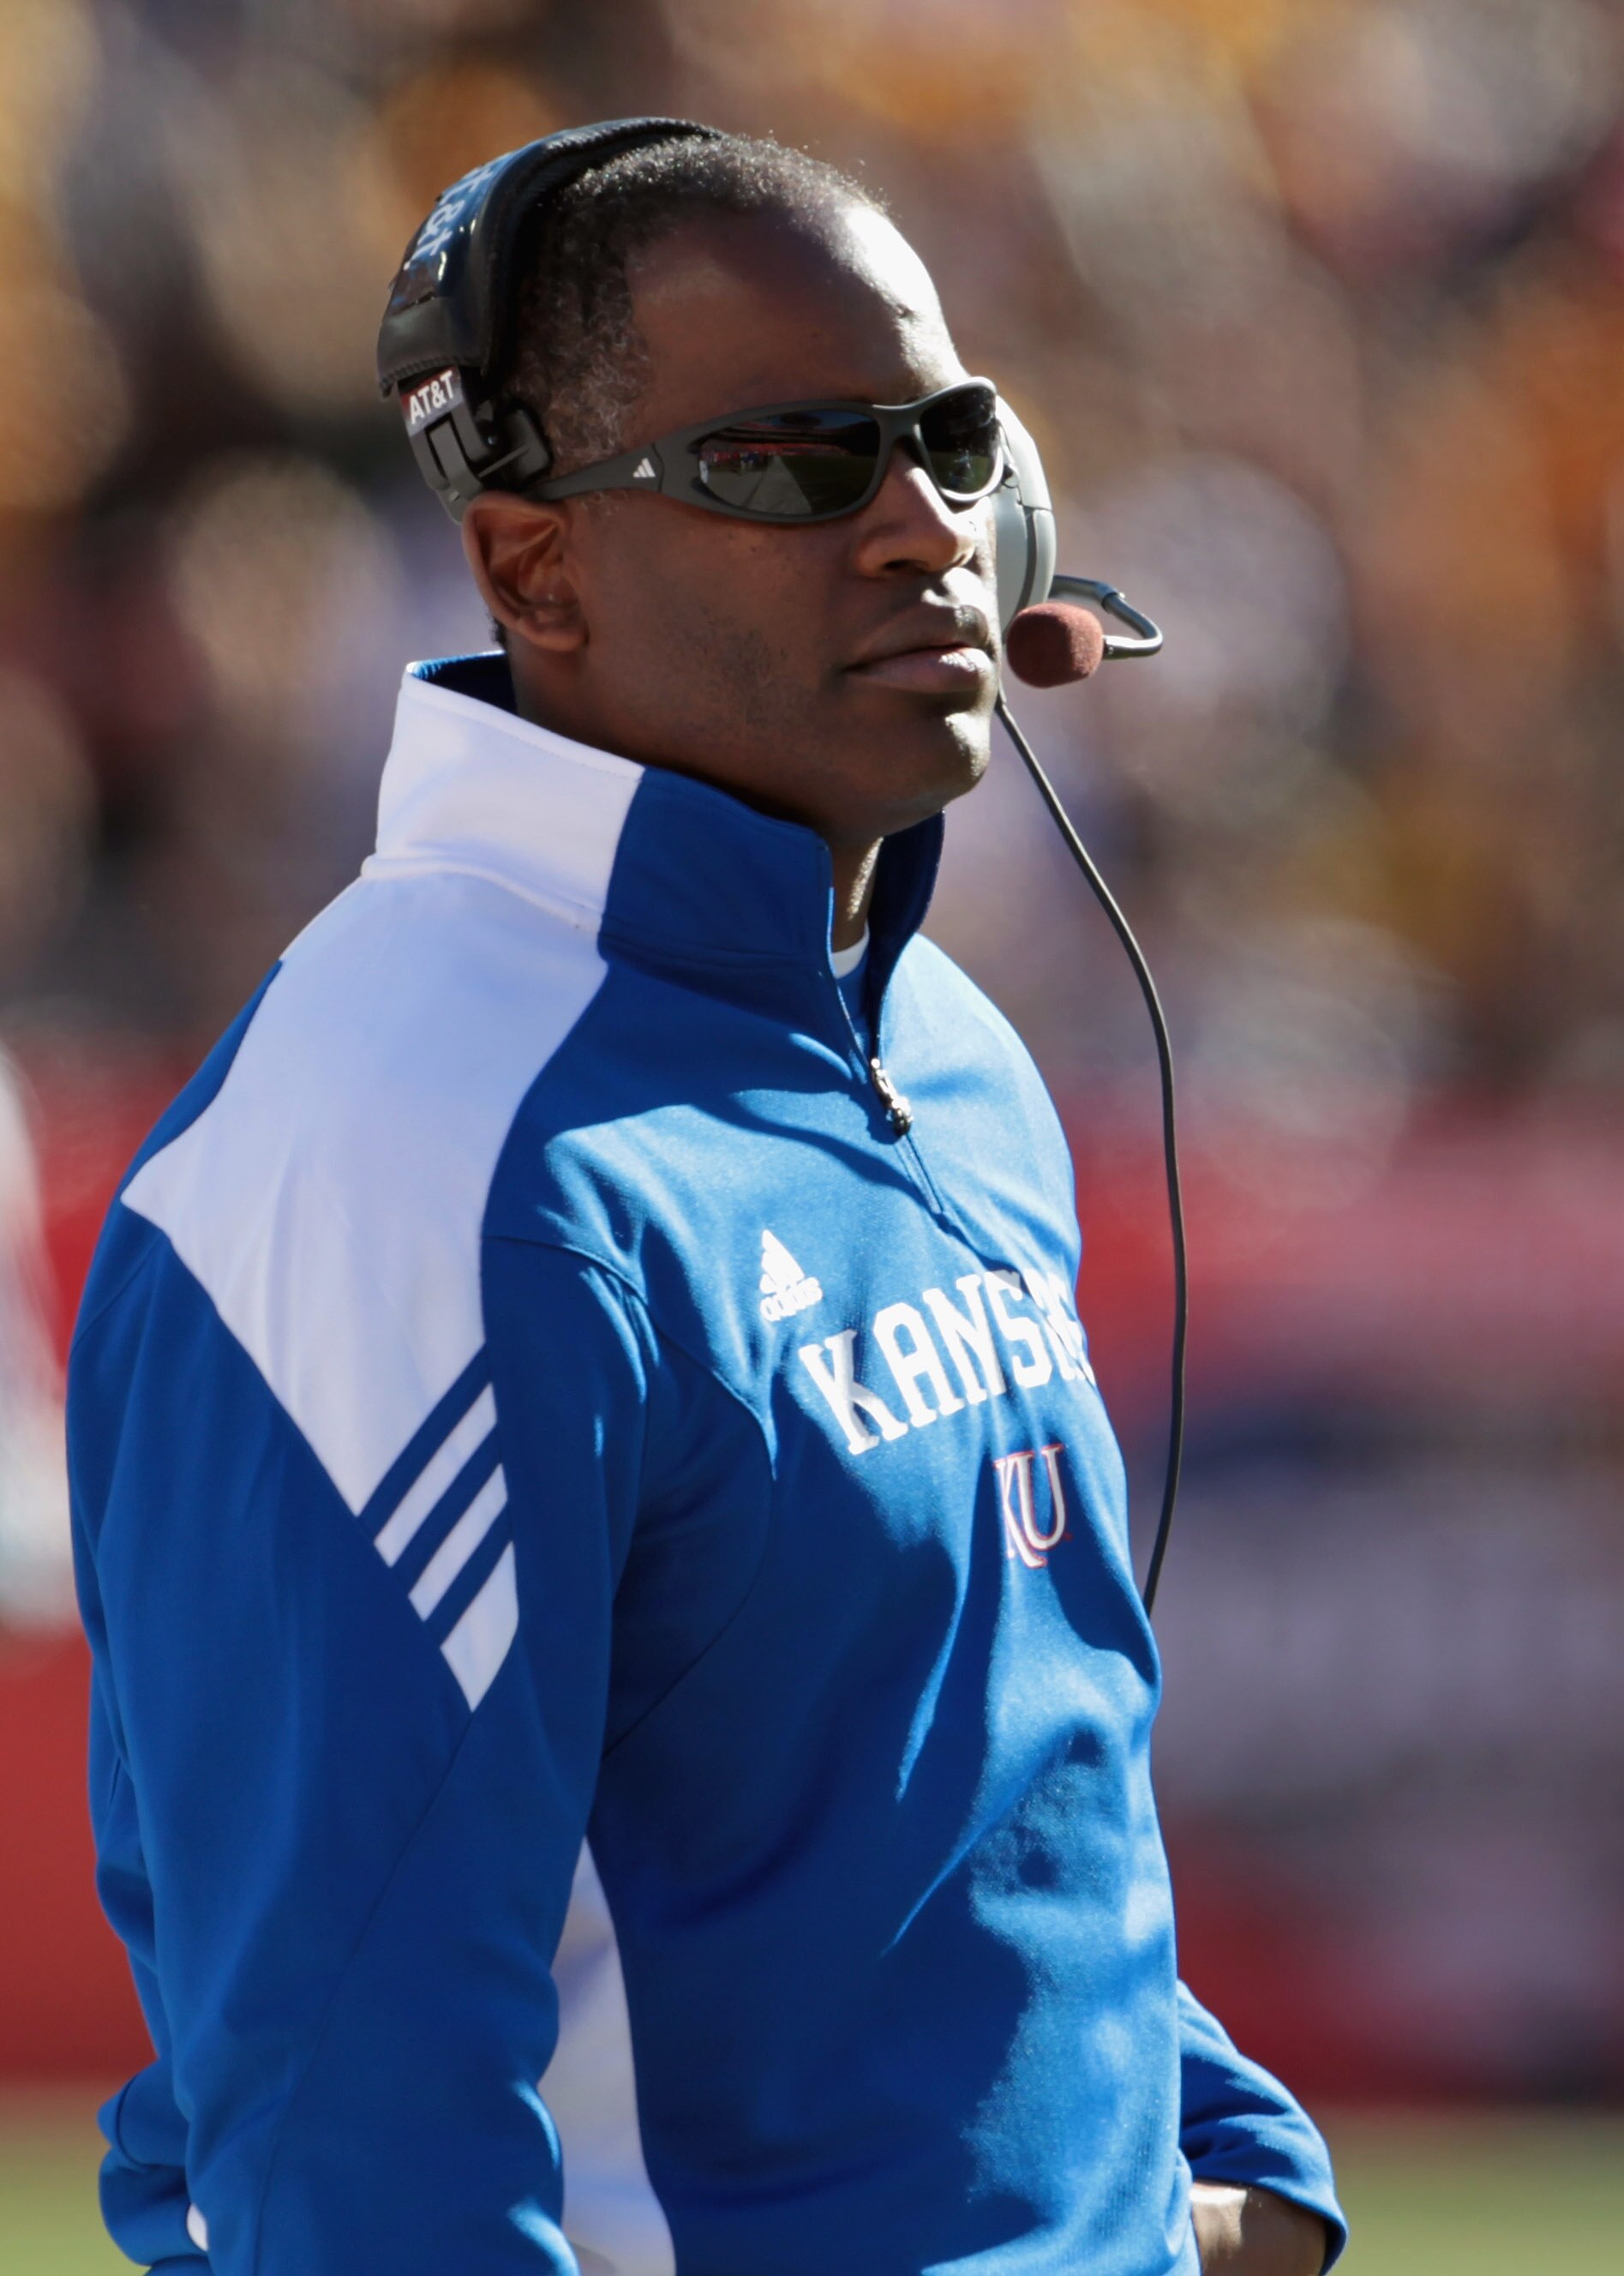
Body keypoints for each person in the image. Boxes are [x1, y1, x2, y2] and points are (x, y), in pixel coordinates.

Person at [69, 129, 1345, 2276]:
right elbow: (350, 2145)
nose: (925, 526)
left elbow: (981, 1785)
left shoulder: (942, 1040)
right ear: (534, 567)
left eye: (953, 442)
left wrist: (1224, 2178)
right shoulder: (400, 1155)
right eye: (791, 464)